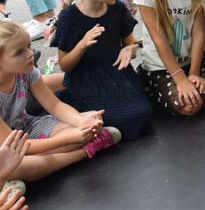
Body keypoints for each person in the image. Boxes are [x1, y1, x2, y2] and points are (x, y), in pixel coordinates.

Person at [0, 21, 121, 183]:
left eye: (29, 46)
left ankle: (20, 172)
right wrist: (69, 139)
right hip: (7, 147)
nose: (30, 54)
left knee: (91, 120)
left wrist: (82, 123)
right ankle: (81, 153)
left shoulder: (25, 71)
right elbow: (12, 147)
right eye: (19, 52)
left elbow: (55, 105)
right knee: (17, 165)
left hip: (25, 127)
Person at [49, 0, 153, 140]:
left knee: (142, 113)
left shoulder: (117, 9)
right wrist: (82, 45)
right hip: (85, 78)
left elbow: (129, 43)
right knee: (116, 116)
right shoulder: (69, 18)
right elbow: (65, 65)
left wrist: (130, 48)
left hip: (116, 73)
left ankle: (95, 129)